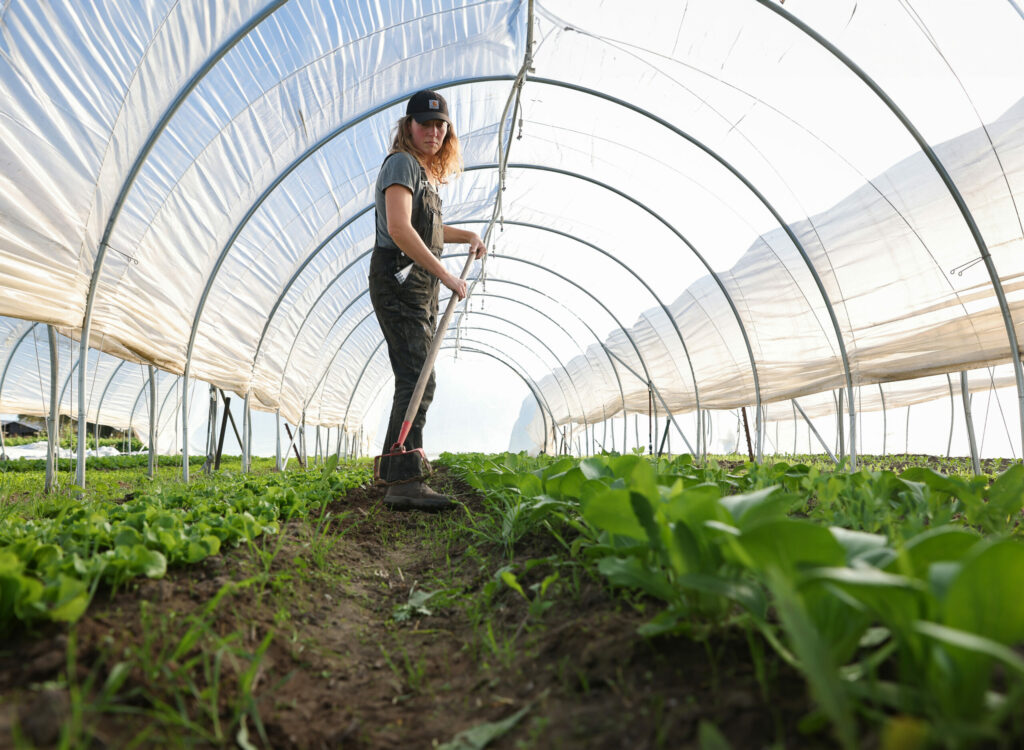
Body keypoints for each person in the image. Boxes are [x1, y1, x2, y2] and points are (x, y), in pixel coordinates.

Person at [369, 89, 486, 510]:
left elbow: (430, 231)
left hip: (415, 286)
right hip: (399, 280)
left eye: (441, 126)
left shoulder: (422, 174)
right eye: (425, 123)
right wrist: (448, 275)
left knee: (415, 376)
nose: (434, 131)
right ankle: (404, 480)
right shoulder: (401, 164)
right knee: (419, 377)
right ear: (409, 126)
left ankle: (393, 469)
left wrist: (466, 235)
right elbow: (400, 229)